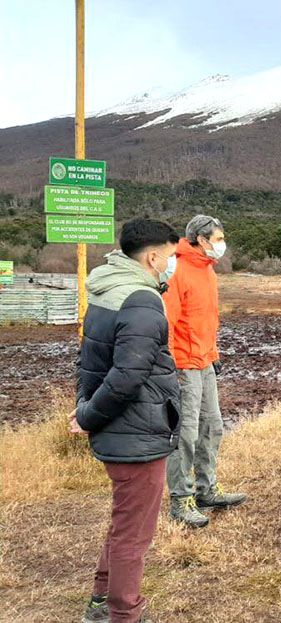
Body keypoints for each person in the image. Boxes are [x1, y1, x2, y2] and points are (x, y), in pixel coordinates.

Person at [71, 218, 181, 623]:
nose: (172, 263)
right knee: (134, 533)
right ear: (153, 256)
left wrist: (85, 407)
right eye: (170, 256)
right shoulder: (140, 300)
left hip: (121, 428)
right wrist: (87, 416)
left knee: (124, 522)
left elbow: (89, 359)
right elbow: (126, 377)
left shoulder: (106, 289)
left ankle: (102, 602)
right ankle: (124, 612)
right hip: (136, 431)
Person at [163, 215, 246, 529]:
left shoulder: (207, 271)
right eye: (218, 238)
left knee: (213, 427)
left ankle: (206, 490)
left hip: (206, 361)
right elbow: (169, 322)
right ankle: (180, 500)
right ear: (199, 239)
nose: (221, 244)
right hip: (183, 364)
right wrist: (169, 365)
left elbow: (206, 320)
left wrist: (214, 355)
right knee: (185, 433)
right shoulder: (178, 270)